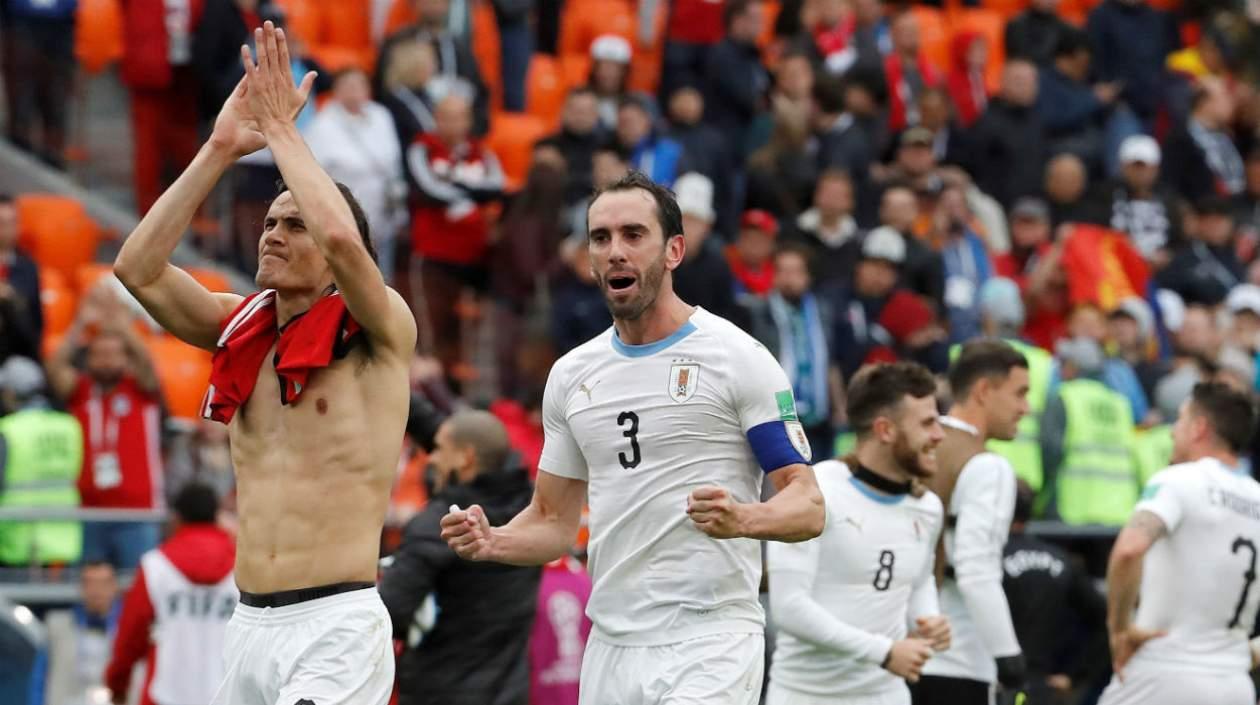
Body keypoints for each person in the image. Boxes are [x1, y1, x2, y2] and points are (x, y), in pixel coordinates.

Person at [112, 23, 416, 705]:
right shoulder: (240, 325)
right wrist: (220, 148)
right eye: (271, 221)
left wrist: (282, 129)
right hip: (248, 621)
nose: (275, 232)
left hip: (334, 619)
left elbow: (341, 232)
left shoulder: (380, 327)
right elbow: (136, 267)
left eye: (294, 223)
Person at [441, 171, 825, 703]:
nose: (615, 251)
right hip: (612, 644)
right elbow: (553, 522)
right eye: (601, 238)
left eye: (633, 235)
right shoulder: (572, 375)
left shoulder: (738, 357)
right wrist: (495, 540)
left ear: (674, 250)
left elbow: (807, 506)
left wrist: (745, 519)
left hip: (710, 636)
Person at [768, 361, 951, 705]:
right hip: (805, 696)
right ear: (885, 430)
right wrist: (884, 651)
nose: (939, 435)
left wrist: (930, 618)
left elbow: (917, 581)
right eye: (927, 423)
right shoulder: (816, 491)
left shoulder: (927, 507)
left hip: (888, 696)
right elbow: (789, 607)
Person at [1098, 382, 1260, 705]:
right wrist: (1245, 654)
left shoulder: (1178, 479)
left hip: (1164, 675)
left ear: (1199, 428)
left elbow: (1129, 549)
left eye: (1180, 420)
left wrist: (1119, 629)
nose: (1173, 431)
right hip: (1235, 686)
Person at [379, 411, 539, 705]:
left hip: (439, 693)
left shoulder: (441, 527)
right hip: (510, 693)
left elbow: (390, 612)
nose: (431, 459)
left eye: (439, 449)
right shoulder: (528, 511)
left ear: (465, 457)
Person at [916, 340, 1029, 705]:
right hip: (958, 662)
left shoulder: (911, 448)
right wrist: (1009, 658)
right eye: (1019, 394)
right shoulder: (987, 466)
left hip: (891, 657)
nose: (1025, 408)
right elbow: (976, 570)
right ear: (983, 390)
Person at [47, 285, 164, 571]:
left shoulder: (141, 390)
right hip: (89, 512)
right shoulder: (82, 390)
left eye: (114, 354)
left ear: (126, 359)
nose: (106, 360)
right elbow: (53, 368)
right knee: (87, 598)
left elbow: (148, 365)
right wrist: (80, 324)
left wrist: (122, 327)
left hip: (138, 513)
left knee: (137, 592)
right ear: (88, 359)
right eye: (99, 354)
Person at [105, 483, 237, 705]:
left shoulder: (155, 566)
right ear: (217, 516)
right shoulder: (243, 567)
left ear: (177, 518)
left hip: (166, 694)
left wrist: (117, 684)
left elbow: (129, 637)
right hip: (230, 696)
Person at [1002, 479, 1108, 705]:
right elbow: (1104, 619)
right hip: (1041, 689)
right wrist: (1075, 674)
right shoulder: (1061, 560)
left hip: (993, 682)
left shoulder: (982, 560)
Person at [306, 68, 406, 286]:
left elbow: (394, 163)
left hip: (382, 213)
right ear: (336, 90)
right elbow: (313, 173)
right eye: (348, 86)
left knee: (381, 276)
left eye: (359, 85)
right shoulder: (322, 125)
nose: (354, 92)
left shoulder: (382, 116)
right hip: (343, 213)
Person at [745, 244, 844, 460]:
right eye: (783, 271)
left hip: (819, 417)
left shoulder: (822, 311)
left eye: (796, 271)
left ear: (808, 276)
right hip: (776, 414)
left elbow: (830, 361)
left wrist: (839, 407)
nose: (789, 278)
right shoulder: (759, 311)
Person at [1040, 337, 1138, 527]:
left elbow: (1051, 452)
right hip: (1119, 514)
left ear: (1073, 368)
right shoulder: (1120, 404)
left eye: (1064, 363)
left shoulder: (1065, 396)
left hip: (1073, 511)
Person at [0, 356, 82, 567]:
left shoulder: (8, 429)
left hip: (18, 542)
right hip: (64, 540)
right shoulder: (69, 425)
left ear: (10, 392)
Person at [28, 561, 120, 705]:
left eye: (103, 583)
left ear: (114, 587)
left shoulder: (131, 631)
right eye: (90, 583)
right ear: (81, 587)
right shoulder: (57, 627)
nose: (97, 590)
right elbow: (39, 678)